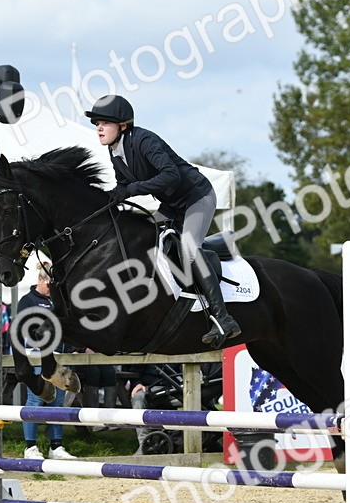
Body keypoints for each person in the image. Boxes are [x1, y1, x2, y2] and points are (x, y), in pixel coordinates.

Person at [85, 94, 241, 347]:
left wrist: (131, 190)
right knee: (143, 236)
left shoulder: (144, 140)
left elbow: (171, 176)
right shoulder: (115, 152)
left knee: (189, 248)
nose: (99, 129)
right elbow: (122, 187)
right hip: (171, 206)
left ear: (122, 125)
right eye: (97, 124)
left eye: (105, 123)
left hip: (196, 197)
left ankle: (223, 317)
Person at [17, 265, 76, 460]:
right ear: (40, 280)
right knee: (35, 400)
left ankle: (56, 446)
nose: (52, 289)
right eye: (50, 285)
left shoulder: (59, 299)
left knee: (58, 402)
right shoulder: (28, 301)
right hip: (39, 357)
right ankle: (30, 447)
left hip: (61, 357)